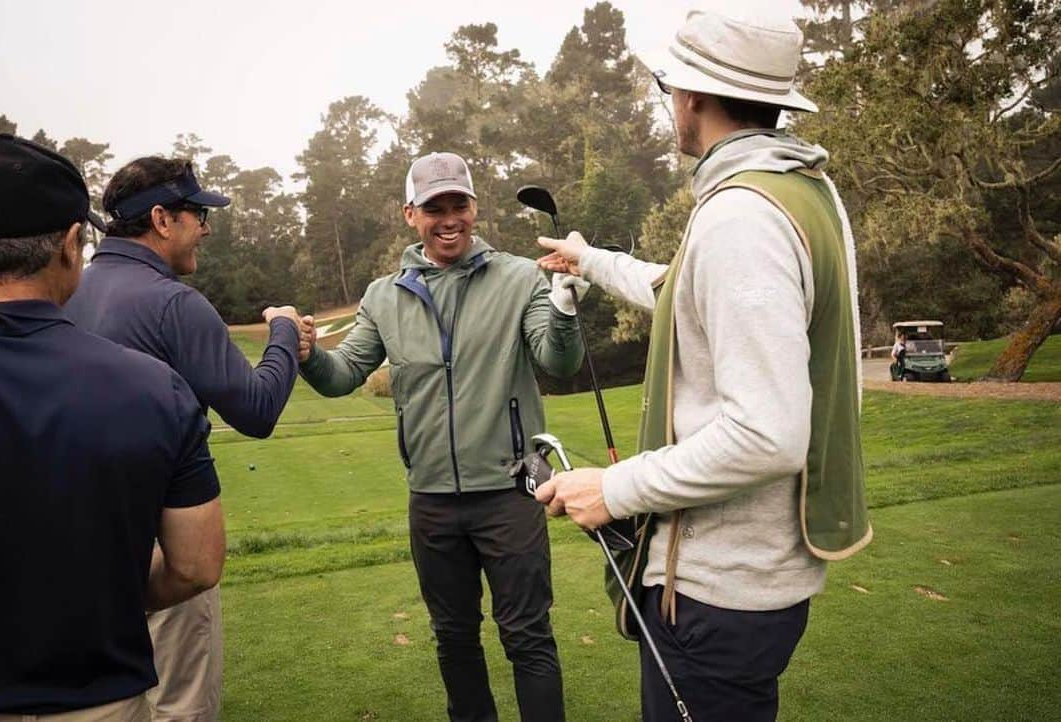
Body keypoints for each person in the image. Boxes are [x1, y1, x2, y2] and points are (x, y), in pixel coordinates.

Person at [534, 9, 872, 722]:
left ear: (690, 96)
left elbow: (768, 434)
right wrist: (591, 260)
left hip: (718, 594)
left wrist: (615, 487)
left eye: (669, 88)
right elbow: (690, 290)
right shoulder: (798, 190)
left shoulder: (740, 219)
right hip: (756, 590)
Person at [298, 151, 585, 722]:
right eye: (434, 208)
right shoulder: (385, 295)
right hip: (430, 498)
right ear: (411, 214)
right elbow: (342, 376)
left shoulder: (520, 276)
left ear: (475, 208)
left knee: (527, 635)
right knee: (453, 637)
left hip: (513, 488)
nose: (448, 219)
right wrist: (308, 356)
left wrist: (565, 307)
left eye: (459, 205)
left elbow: (560, 360)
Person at [0, 135, 225, 721]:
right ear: (71, 245)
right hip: (100, 698)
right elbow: (195, 565)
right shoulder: (152, 388)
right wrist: (102, 597)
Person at [63, 156, 303, 722]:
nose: (207, 227)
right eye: (198, 213)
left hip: (70, 550)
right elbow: (257, 410)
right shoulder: (176, 304)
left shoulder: (65, 292)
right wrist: (285, 332)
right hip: (164, 548)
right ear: (162, 219)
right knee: (181, 707)